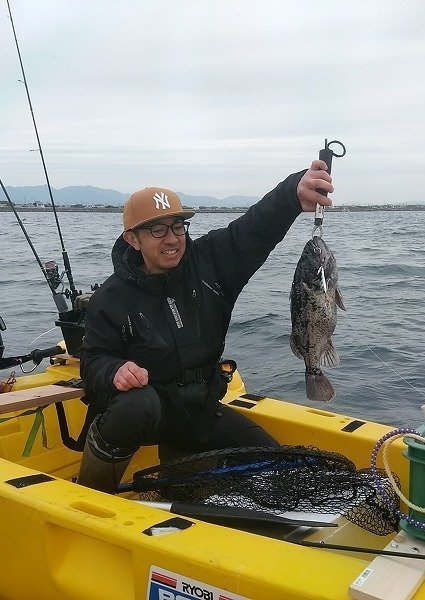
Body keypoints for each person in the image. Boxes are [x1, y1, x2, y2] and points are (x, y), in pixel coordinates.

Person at [78, 158, 334, 492]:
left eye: (178, 226)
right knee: (136, 405)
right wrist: (115, 369)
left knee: (280, 468)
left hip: (198, 413)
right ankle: (92, 492)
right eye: (157, 229)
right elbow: (92, 361)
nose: (172, 239)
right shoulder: (110, 298)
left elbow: (252, 230)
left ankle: (177, 468)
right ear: (132, 239)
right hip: (148, 414)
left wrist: (292, 193)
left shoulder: (210, 262)